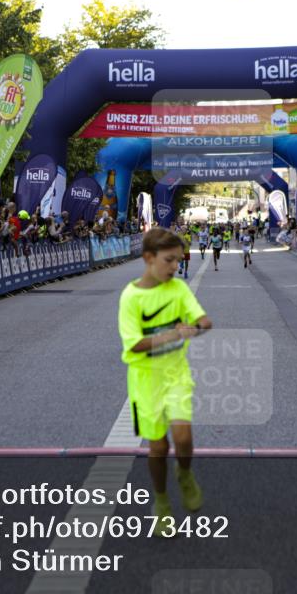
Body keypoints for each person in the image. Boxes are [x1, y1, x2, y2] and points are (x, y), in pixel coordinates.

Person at [117, 228, 212, 538]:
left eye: (179, 260)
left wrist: (196, 328)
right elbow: (134, 345)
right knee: (158, 447)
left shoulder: (179, 289)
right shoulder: (131, 297)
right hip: (145, 380)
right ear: (148, 258)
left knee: (182, 438)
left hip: (175, 374)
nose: (175, 267)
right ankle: (160, 500)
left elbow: (203, 320)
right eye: (169, 260)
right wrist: (173, 334)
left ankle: (184, 474)